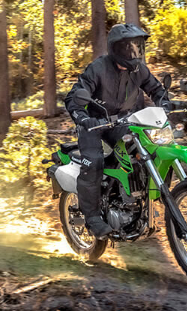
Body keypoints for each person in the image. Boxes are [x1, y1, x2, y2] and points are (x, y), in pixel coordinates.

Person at [64, 23, 173, 239]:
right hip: (95, 123)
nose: (135, 52)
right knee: (94, 161)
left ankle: (138, 202)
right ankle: (93, 218)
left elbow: (156, 89)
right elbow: (73, 97)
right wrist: (83, 118)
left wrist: (165, 103)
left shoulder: (139, 70)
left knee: (150, 150)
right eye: (129, 47)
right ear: (116, 48)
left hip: (124, 121)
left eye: (138, 46)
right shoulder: (98, 68)